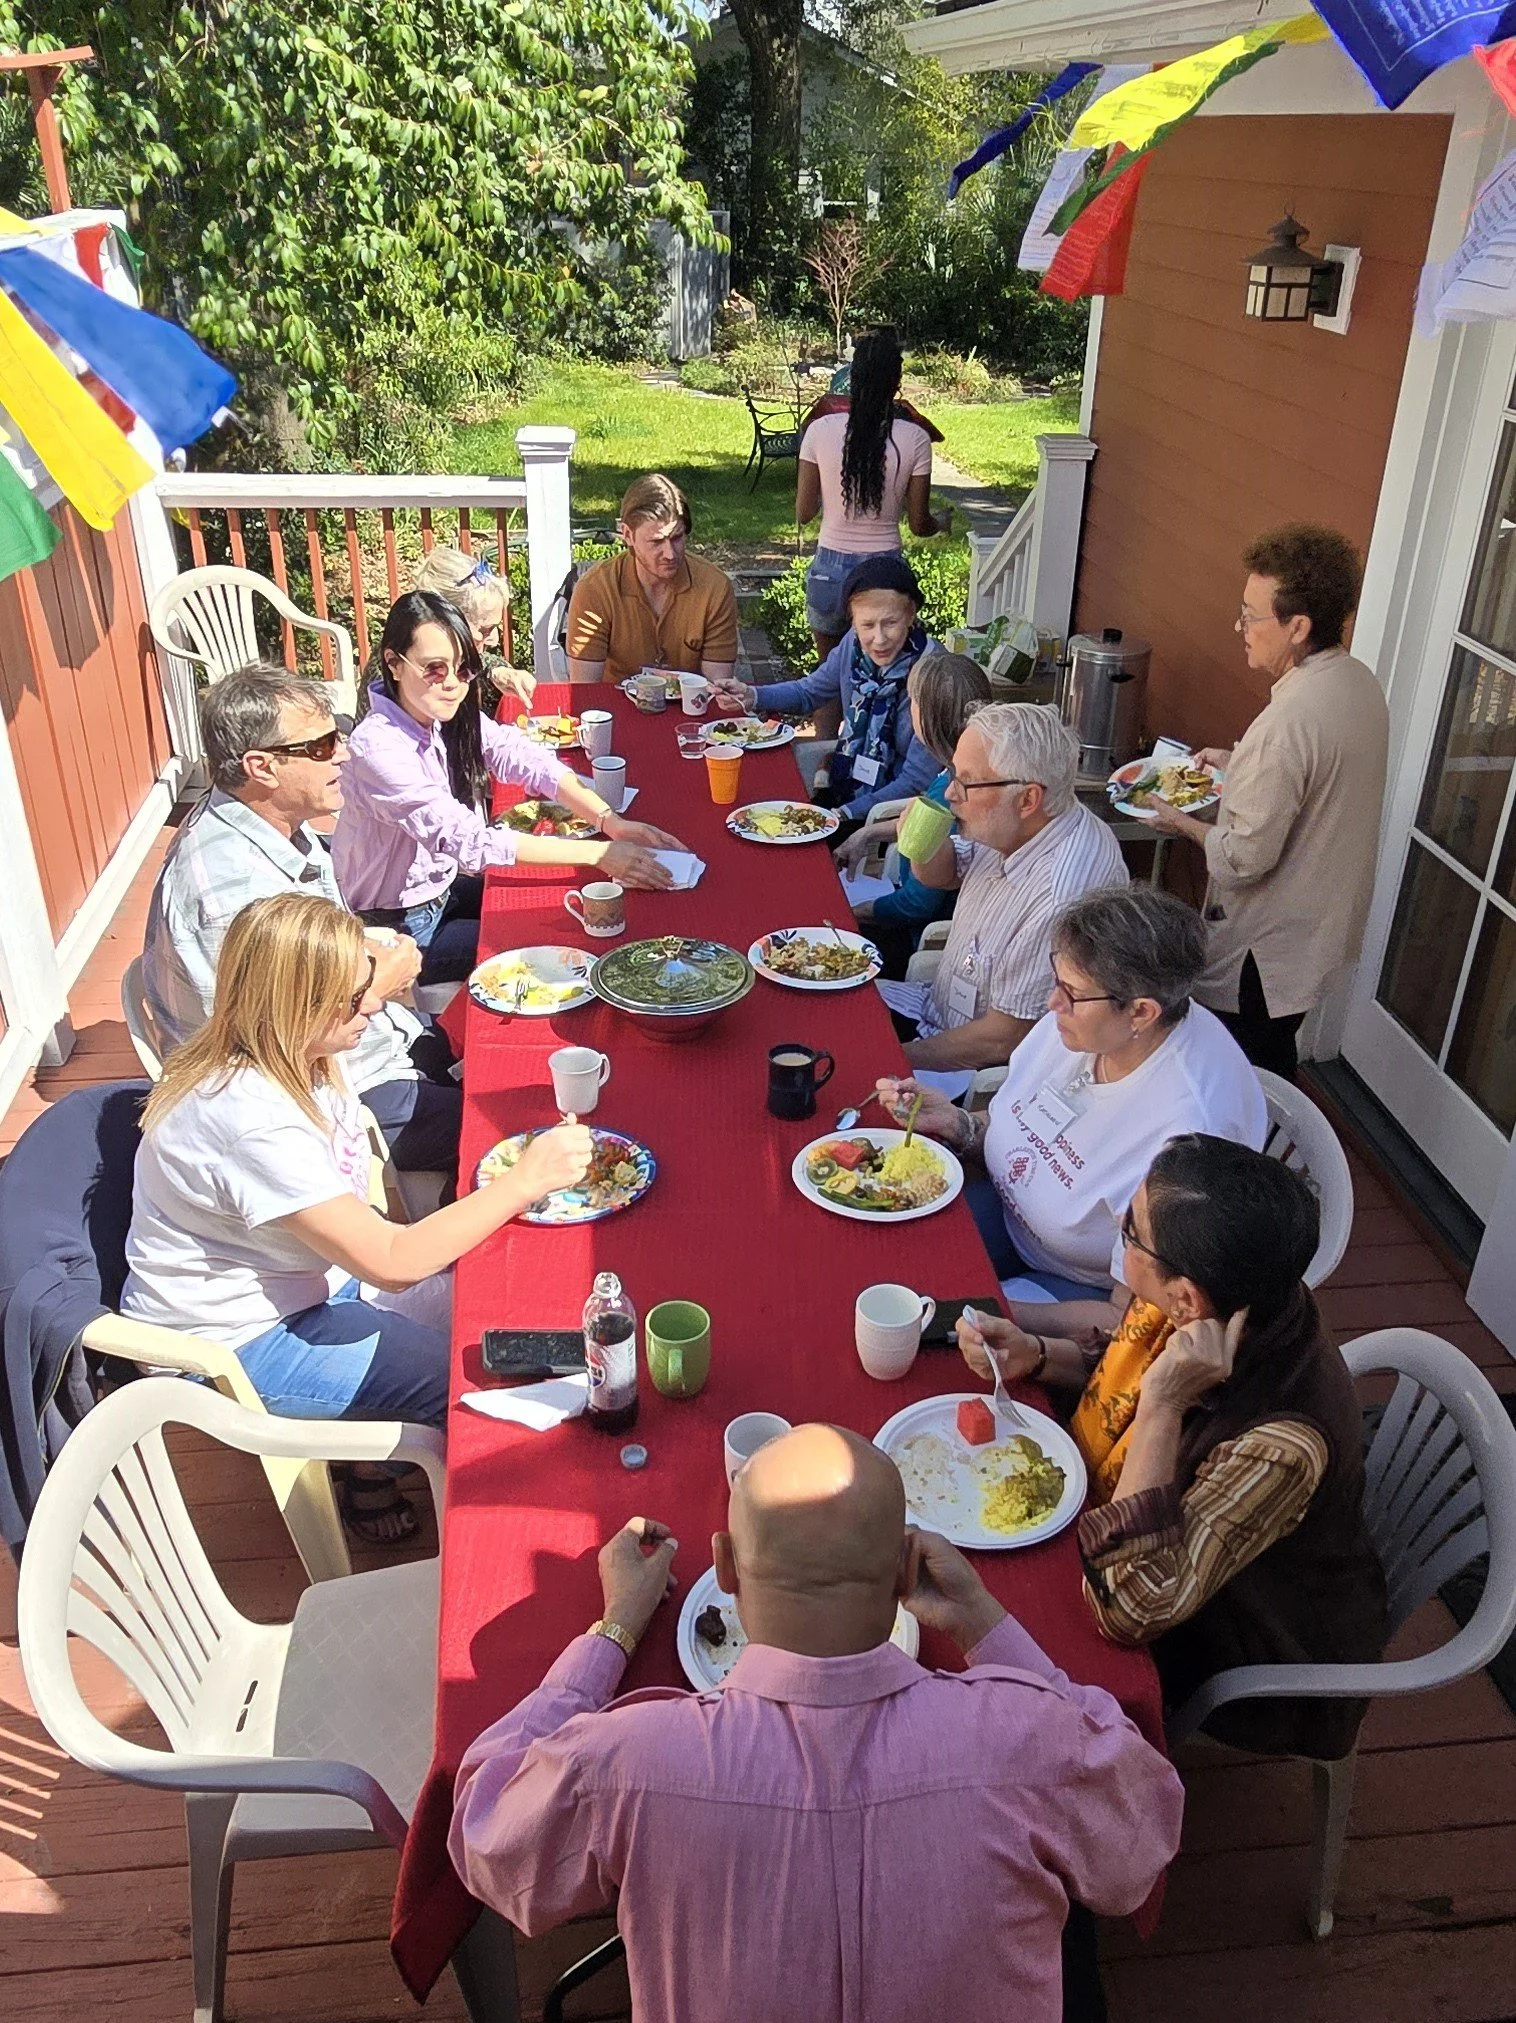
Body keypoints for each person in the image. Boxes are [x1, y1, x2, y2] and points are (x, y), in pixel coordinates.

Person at [448, 1424, 1182, 2023]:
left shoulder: (629, 1763)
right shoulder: (1028, 1742)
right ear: (907, 1571)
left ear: (725, 1567)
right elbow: (1142, 1829)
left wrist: (613, 1630)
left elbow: (487, 1834)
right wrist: (983, 1620)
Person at [124, 893, 593, 1542]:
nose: (373, 1004)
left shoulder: (290, 1052)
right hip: (237, 1342)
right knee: (470, 1383)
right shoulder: (249, 1123)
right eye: (353, 999)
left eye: (366, 982)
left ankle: (371, 1452)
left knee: (494, 1316)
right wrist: (526, 1180)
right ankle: (493, 1530)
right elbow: (393, 1263)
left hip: (313, 1282)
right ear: (296, 1005)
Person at [958, 1137, 1389, 1759]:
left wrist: (1162, 1406)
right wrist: (1040, 1356)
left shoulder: (1279, 1445)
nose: (1121, 1228)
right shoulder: (1225, 1296)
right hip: (1142, 1546)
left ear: (1186, 1297)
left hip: (1231, 1641)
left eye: (1131, 1231)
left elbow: (1128, 1608)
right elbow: (1121, 1375)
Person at [142, 665, 460, 1177]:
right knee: (513, 1125)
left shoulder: (275, 823)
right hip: (327, 1094)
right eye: (321, 746)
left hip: (371, 1040)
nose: (343, 753)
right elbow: (276, 1039)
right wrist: (380, 982)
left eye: (339, 734)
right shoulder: (235, 893)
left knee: (503, 1039)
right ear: (261, 767)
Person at [878, 886, 1268, 1302]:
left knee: (924, 1309)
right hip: (1007, 1215)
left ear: (1141, 1012)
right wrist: (958, 1124)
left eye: (1072, 994)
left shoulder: (1192, 1129)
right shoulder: (1086, 1022)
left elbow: (1130, 1315)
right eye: (1057, 982)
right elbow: (1023, 1123)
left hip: (1082, 1289)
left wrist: (986, 1309)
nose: (1053, 1003)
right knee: (884, 1255)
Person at [1135, 524, 1389, 1078]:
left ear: (1298, 627)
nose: (1239, 627)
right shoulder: (1358, 683)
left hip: (1264, 956)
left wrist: (1182, 822)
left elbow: (1244, 859)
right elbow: (1318, 780)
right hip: (1316, 937)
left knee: (1240, 1072)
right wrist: (1240, 762)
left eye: (1251, 616)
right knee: (1275, 1055)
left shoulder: (1287, 723)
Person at [333, 592, 686, 982]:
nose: (452, 684)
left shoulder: (435, 710)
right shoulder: (378, 749)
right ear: (394, 664)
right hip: (397, 926)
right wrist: (599, 853)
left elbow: (521, 756)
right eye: (434, 669)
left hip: (443, 888)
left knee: (562, 902)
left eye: (464, 669)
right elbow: (471, 843)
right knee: (562, 940)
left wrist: (608, 821)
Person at [889, 703, 1127, 1074]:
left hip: (965, 1067)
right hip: (932, 1007)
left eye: (966, 782)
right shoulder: (1022, 819)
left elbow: (1003, 1038)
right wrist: (921, 843)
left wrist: (888, 1057)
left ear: (1028, 799)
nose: (950, 793)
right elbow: (942, 875)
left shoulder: (1058, 900)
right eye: (953, 774)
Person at [713, 554, 940, 824]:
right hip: (845, 792)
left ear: (911, 614)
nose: (879, 639)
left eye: (890, 623)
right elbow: (809, 692)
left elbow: (916, 780)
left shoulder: (935, 674)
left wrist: (846, 815)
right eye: (867, 625)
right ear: (852, 621)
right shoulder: (852, 645)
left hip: (894, 817)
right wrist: (752, 695)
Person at [796, 327, 952, 658]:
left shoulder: (819, 431)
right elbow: (919, 524)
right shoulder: (915, 439)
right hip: (884, 575)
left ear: (852, 378)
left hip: (829, 571)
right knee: (882, 679)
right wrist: (940, 522)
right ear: (896, 383)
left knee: (830, 678)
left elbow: (804, 512)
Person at [833, 650, 991, 975]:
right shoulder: (967, 768)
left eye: (913, 701)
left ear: (926, 717)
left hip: (915, 941)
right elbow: (927, 825)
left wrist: (852, 910)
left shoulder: (952, 793)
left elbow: (917, 904)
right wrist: (869, 832)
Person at [565, 473, 739, 686]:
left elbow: (718, 686)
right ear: (628, 535)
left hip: (691, 703)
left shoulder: (714, 588)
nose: (670, 554)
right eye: (656, 542)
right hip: (614, 703)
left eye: (677, 538)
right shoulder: (595, 590)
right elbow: (585, 690)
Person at [412, 542, 535, 707]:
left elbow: (480, 662)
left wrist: (498, 672)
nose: (494, 640)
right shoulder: (408, 680)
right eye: (485, 630)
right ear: (445, 621)